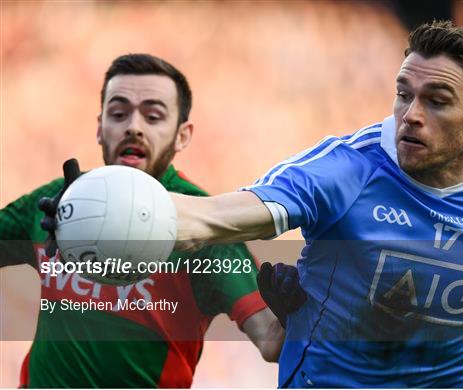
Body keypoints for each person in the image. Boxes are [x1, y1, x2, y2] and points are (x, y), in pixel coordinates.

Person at [161, 21, 463, 387]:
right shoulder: (347, 169)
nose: (412, 116)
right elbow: (215, 219)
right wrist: (127, 212)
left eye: (437, 101)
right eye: (404, 94)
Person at [0, 53, 283, 388]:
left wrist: (301, 300)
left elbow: (271, 339)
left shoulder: (207, 229)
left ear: (182, 135)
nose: (133, 127)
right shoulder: (53, 203)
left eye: (153, 116)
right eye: (118, 114)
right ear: (99, 127)